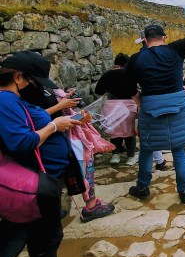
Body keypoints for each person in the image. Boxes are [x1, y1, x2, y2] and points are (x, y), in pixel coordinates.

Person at [0, 52, 87, 257]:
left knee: (46, 234)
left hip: (43, 174)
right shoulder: (5, 101)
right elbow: (21, 142)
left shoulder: (12, 99)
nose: (37, 86)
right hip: (35, 179)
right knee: (45, 236)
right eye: (33, 80)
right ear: (17, 77)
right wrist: (54, 126)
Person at [16, 52, 116, 222]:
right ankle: (87, 206)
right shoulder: (18, 98)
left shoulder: (40, 88)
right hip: (49, 143)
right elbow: (33, 120)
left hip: (61, 139)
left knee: (79, 172)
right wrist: (61, 106)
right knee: (76, 172)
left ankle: (63, 208)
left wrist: (76, 114)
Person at [126, 24, 185, 203]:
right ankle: (184, 191)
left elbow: (126, 83)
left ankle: (142, 187)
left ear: (146, 40)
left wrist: (138, 99)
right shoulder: (176, 49)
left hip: (150, 104)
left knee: (147, 149)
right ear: (164, 38)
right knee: (178, 149)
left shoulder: (135, 59)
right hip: (177, 103)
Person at [95, 53, 139, 165]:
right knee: (130, 133)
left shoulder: (107, 74)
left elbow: (98, 91)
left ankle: (115, 156)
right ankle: (130, 157)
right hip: (129, 107)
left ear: (116, 63)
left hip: (111, 106)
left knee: (114, 132)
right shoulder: (129, 74)